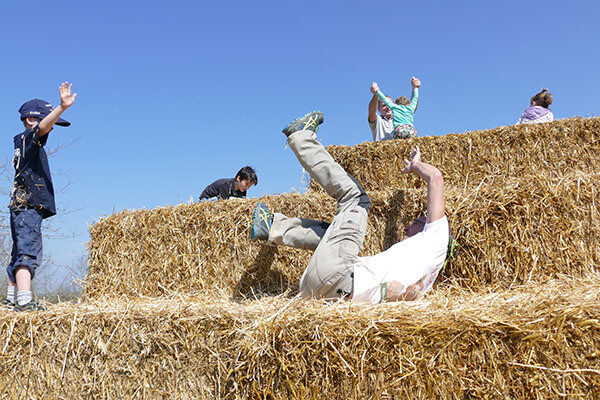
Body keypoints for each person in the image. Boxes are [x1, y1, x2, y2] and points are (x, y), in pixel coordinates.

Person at [250, 111, 449, 303]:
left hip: (337, 276)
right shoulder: (423, 279)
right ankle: (272, 228)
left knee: (357, 198)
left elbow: (435, 177)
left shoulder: (435, 239)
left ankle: (302, 137)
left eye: (416, 222)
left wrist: (415, 165)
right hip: (323, 294)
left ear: (427, 225)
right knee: (335, 234)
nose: (406, 227)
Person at [2, 82, 77, 312]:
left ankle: (12, 297)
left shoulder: (23, 143)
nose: (52, 129)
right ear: (32, 119)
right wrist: (61, 108)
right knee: (28, 251)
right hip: (28, 205)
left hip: (21, 206)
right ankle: (24, 301)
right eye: (51, 123)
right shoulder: (29, 139)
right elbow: (43, 128)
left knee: (19, 249)